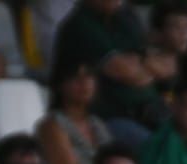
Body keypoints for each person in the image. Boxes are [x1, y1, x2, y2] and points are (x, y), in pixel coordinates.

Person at [52, 0, 168, 147]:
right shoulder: (79, 24)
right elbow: (125, 71)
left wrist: (142, 63)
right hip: (109, 118)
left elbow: (167, 65)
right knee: (158, 151)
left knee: (185, 143)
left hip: (152, 112)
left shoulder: (126, 17)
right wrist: (148, 66)